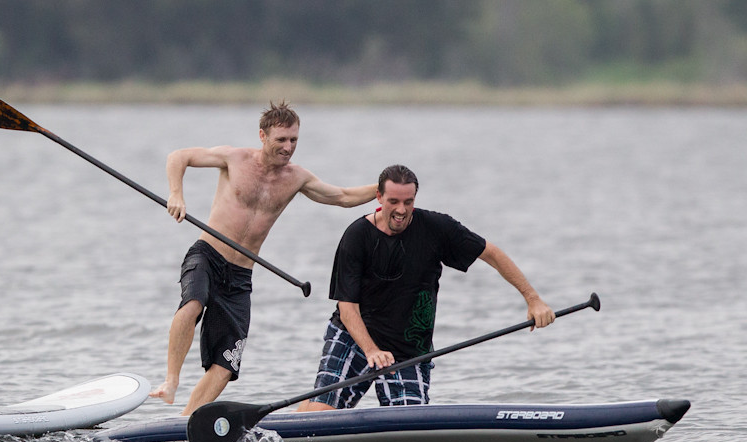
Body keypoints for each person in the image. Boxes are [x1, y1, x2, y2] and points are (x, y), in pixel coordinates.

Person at [148, 101, 378, 415]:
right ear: (262, 136)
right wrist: (176, 193)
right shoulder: (234, 158)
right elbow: (179, 157)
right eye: (281, 139)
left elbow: (343, 196)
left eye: (294, 140)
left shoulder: (296, 178)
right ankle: (171, 381)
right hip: (207, 255)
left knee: (226, 365)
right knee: (193, 304)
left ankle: (188, 420)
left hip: (240, 275)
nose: (288, 147)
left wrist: (383, 189)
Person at [298, 164, 555, 411]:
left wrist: (533, 299)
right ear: (379, 197)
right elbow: (347, 309)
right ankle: (288, 426)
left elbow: (492, 254)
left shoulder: (437, 228)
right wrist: (371, 350)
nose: (401, 210)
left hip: (407, 348)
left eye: (408, 202)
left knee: (406, 424)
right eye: (393, 202)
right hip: (354, 337)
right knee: (321, 410)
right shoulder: (357, 236)